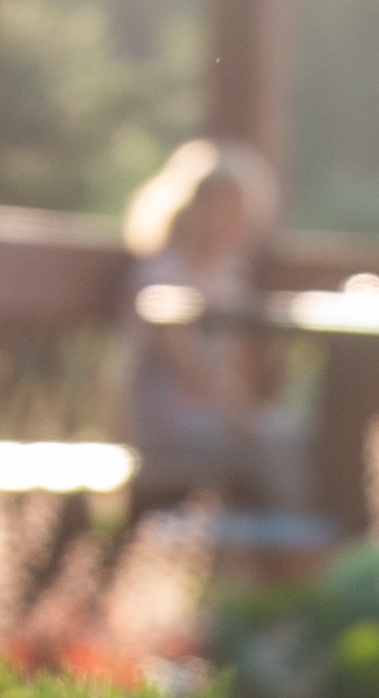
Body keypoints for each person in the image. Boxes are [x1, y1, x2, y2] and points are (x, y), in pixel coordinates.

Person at [118, 137, 304, 511]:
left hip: (216, 411)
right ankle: (287, 550)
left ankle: (290, 543)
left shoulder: (228, 279)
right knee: (277, 442)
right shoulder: (161, 276)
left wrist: (240, 411)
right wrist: (235, 415)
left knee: (291, 436)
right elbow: (187, 370)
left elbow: (232, 367)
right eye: (227, 207)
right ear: (196, 207)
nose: (238, 220)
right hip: (167, 416)